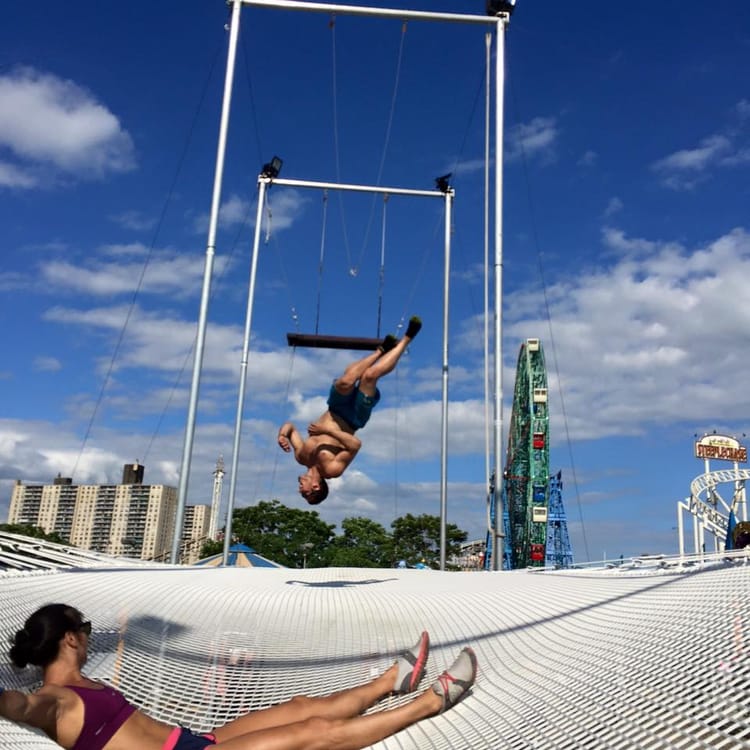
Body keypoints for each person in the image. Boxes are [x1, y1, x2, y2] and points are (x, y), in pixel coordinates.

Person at [1, 603, 478, 750]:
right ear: (68, 638)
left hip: (193, 740)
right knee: (311, 733)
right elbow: (18, 707)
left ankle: (393, 683)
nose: (88, 637)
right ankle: (432, 701)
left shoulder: (84, 684)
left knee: (299, 707)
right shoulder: (54, 699)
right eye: (83, 629)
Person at [278, 316, 422, 504]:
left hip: (335, 407)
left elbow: (290, 427)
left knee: (345, 381)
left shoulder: (301, 456)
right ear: (316, 487)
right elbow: (355, 445)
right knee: (370, 376)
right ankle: (407, 338)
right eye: (304, 493)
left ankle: (381, 350)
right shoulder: (332, 470)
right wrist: (327, 431)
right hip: (354, 417)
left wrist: (282, 435)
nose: (299, 490)